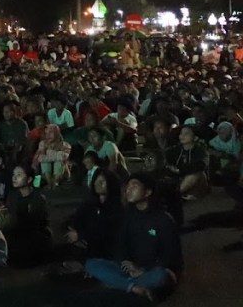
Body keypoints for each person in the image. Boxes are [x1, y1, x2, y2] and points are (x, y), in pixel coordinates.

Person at [85, 173, 182, 302]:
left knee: (161, 276)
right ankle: (135, 288)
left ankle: (119, 284)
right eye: (128, 187)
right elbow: (120, 246)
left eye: (134, 186)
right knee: (91, 264)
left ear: (147, 192)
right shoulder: (128, 216)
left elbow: (171, 257)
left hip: (151, 271)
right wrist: (125, 262)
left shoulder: (162, 219)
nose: (128, 190)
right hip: (129, 270)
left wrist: (143, 270)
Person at [54, 168, 123, 276]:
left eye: (102, 182)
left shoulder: (116, 208)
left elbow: (107, 231)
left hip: (104, 247)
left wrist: (81, 235)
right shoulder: (89, 204)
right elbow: (76, 218)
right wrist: (72, 228)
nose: (97, 184)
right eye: (96, 180)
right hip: (85, 242)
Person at [0, 164, 51, 267]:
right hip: (18, 231)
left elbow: (34, 222)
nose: (14, 178)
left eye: (19, 175)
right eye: (13, 175)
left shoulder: (38, 198)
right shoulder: (13, 195)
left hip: (35, 233)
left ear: (29, 179)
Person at [163, 124, 209, 200]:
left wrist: (179, 170)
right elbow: (164, 159)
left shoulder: (201, 150)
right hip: (179, 179)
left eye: (186, 134)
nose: (182, 136)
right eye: (181, 133)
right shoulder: (175, 150)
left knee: (196, 173)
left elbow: (201, 165)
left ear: (195, 137)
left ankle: (174, 195)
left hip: (197, 182)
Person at [34, 124, 71, 189]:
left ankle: (55, 182)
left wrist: (48, 153)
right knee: (45, 163)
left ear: (57, 133)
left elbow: (62, 157)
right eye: (46, 133)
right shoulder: (42, 144)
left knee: (59, 162)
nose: (48, 135)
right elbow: (40, 158)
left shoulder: (65, 145)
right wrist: (57, 154)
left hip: (62, 172)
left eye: (51, 132)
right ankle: (49, 182)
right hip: (44, 173)